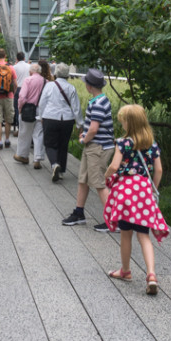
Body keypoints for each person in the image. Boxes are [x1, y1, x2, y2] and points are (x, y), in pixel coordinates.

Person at [103, 103, 169, 296]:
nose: (122, 124)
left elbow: (115, 167)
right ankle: (151, 275)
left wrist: (106, 175)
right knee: (144, 235)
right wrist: (152, 188)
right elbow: (159, 170)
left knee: (126, 234)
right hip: (143, 192)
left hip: (126, 193)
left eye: (123, 121)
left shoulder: (122, 143)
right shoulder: (152, 145)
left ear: (129, 123)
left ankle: (125, 271)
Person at [62, 68, 115, 232]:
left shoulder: (98, 103)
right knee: (83, 179)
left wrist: (83, 138)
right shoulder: (99, 100)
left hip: (97, 147)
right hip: (93, 146)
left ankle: (112, 220)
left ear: (89, 86)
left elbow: (93, 129)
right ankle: (79, 213)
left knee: (99, 182)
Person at [37, 62, 79, 182]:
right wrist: (80, 123)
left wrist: (41, 117)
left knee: (50, 144)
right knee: (63, 145)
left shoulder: (49, 86)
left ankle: (55, 164)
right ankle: (61, 171)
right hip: (67, 119)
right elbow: (76, 107)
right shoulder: (71, 88)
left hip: (50, 117)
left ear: (55, 73)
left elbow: (42, 103)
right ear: (67, 75)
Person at [14, 62, 46, 168]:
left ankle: (23, 155)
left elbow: (22, 96)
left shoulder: (28, 80)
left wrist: (20, 108)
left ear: (31, 71)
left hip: (27, 109)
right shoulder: (46, 81)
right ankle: (37, 159)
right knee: (39, 134)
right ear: (40, 71)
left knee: (24, 133)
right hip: (41, 110)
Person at [12, 52, 30, 137]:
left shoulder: (14, 67)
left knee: (17, 109)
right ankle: (27, 129)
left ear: (17, 58)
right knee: (27, 108)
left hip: (18, 88)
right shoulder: (29, 66)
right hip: (27, 89)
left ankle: (19, 128)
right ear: (24, 58)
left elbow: (12, 80)